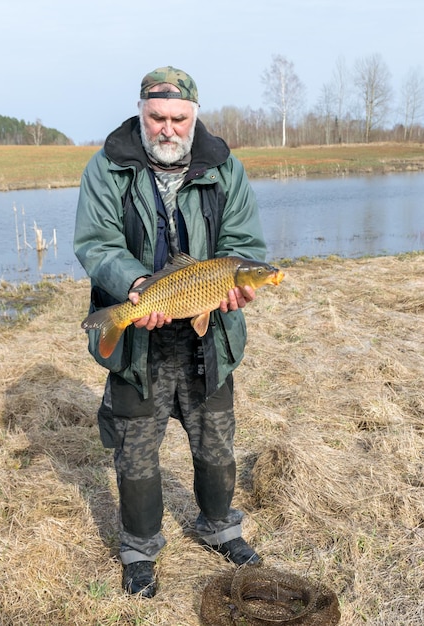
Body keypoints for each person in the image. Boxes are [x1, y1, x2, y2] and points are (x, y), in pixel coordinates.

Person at [74, 66, 267, 598]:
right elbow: (95, 243)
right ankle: (140, 549)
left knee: (216, 442)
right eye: (157, 117)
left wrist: (238, 286)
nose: (167, 128)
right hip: (139, 332)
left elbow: (244, 243)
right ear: (141, 112)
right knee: (135, 449)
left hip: (209, 333)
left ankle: (220, 528)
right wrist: (136, 285)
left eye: (178, 118)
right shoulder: (107, 167)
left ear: (194, 117)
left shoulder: (225, 168)